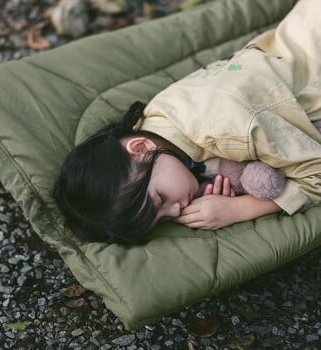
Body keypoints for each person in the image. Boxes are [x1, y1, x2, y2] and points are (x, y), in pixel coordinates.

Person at [54, 0, 321, 244]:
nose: (177, 210)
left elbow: (316, 172)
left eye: (160, 199)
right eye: (163, 218)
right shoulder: (158, 116)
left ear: (140, 148)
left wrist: (242, 208)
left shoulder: (229, 127)